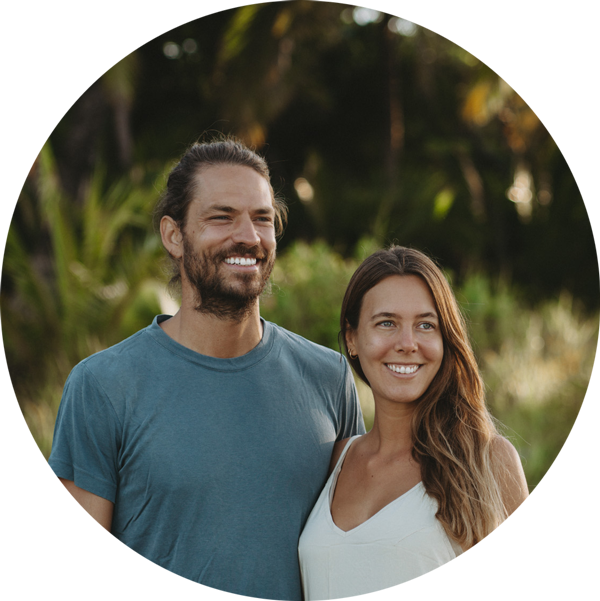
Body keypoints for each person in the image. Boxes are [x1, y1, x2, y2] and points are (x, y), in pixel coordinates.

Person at [45, 138, 365, 600]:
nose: (249, 237)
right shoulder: (102, 386)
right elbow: (72, 582)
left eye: (262, 219)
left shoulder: (329, 377)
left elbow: (354, 552)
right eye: (222, 217)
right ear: (173, 236)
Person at [299, 246, 533, 601]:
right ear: (352, 338)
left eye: (426, 325)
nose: (408, 344)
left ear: (445, 340)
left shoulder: (487, 463)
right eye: (387, 323)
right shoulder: (335, 460)